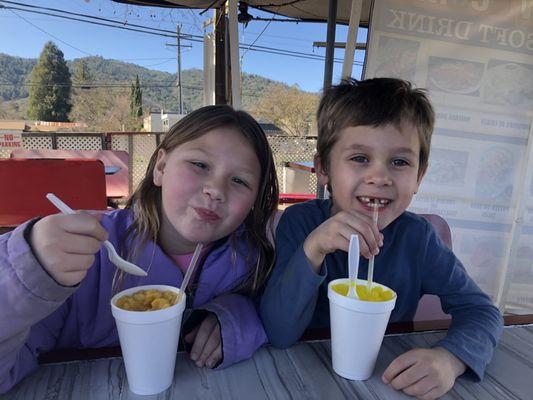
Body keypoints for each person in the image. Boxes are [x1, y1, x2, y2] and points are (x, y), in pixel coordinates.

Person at [0, 105, 279, 394]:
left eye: (239, 181)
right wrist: (28, 268)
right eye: (200, 165)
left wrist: (239, 316)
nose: (216, 189)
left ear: (253, 203)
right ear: (161, 167)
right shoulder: (83, 253)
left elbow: (287, 317)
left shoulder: (252, 261)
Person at [260, 78, 503, 399]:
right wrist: (313, 249)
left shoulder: (419, 239)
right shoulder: (301, 224)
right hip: (301, 378)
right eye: (359, 158)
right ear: (323, 169)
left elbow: (483, 312)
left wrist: (451, 359)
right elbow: (278, 332)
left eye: (400, 162)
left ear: (419, 176)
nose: (380, 177)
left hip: (387, 380)